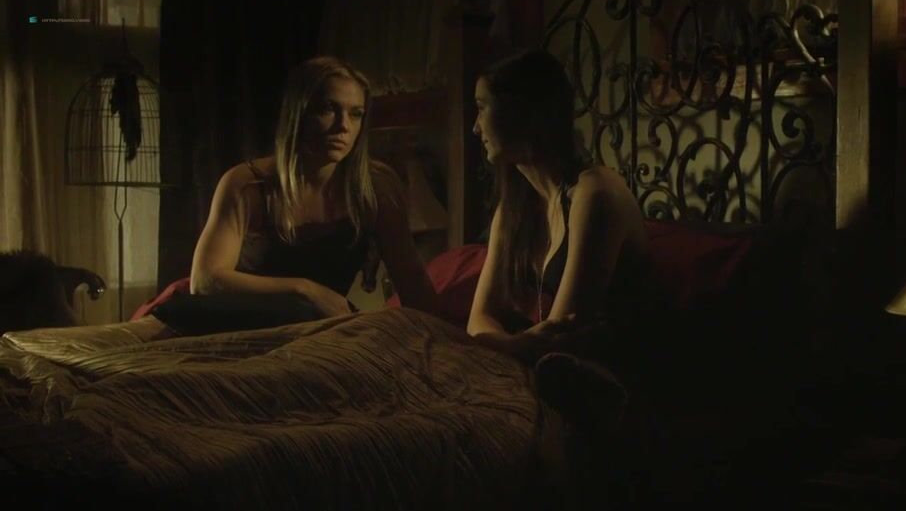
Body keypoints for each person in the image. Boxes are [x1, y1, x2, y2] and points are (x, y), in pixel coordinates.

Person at [190, 56, 438, 318]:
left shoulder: (376, 187)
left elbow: (414, 287)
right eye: (328, 109)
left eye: (355, 114)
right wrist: (305, 290)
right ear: (299, 113)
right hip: (244, 321)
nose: (343, 126)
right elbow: (205, 280)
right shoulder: (247, 184)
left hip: (322, 329)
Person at [466, 49, 661, 372]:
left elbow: (558, 340)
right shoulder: (516, 205)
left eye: (482, 107)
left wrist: (503, 344)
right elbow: (478, 321)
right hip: (537, 364)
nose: (475, 127)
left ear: (520, 111)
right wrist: (514, 344)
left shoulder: (595, 195)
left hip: (608, 377)